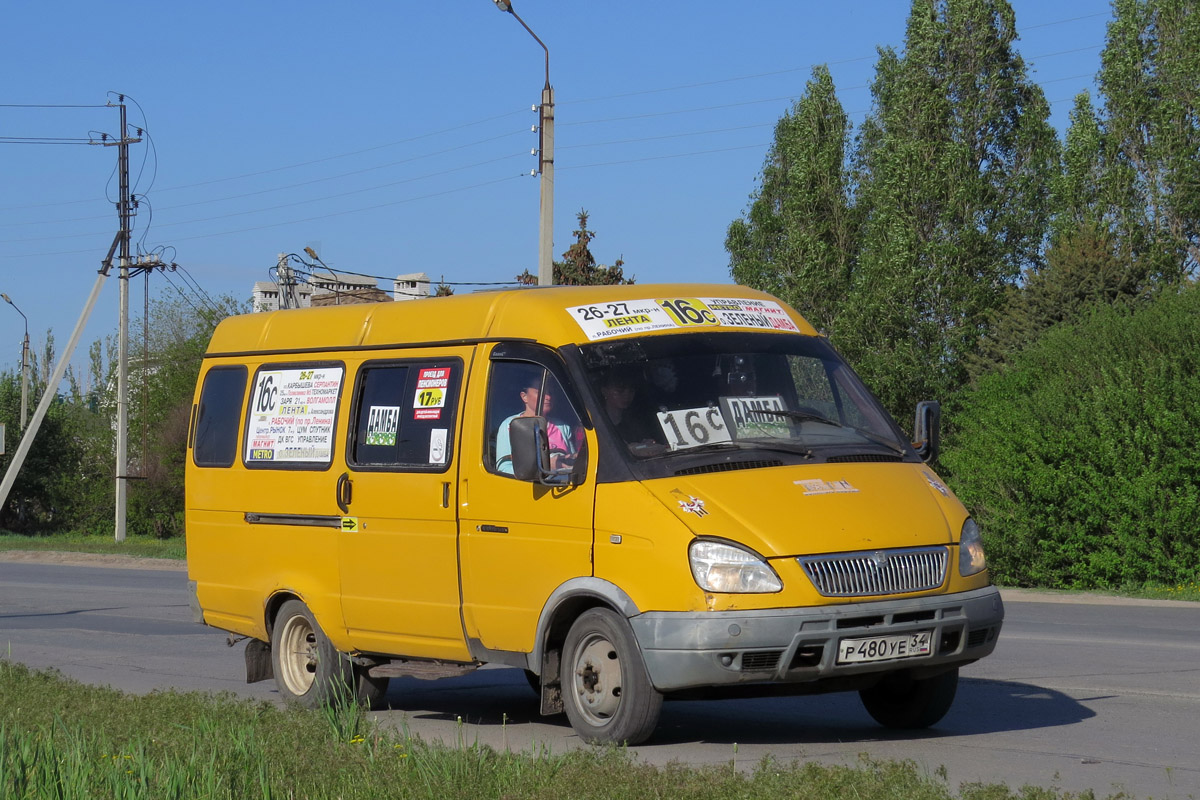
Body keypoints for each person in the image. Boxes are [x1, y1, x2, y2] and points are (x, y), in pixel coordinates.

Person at [495, 372, 581, 475]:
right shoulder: (510, 425)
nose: (548, 397)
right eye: (540, 392)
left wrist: (571, 459)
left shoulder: (562, 426)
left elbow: (572, 463)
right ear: (524, 397)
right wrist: (546, 468)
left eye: (550, 392)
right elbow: (503, 468)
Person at [598, 369, 661, 448]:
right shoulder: (596, 422)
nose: (626, 396)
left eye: (631, 391)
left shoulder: (637, 422)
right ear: (604, 391)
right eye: (620, 391)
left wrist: (646, 444)